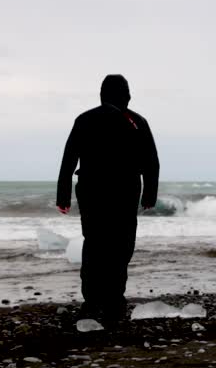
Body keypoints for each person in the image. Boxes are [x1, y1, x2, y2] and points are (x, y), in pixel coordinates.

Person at [56, 74, 159, 320]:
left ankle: (92, 301)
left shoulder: (85, 119)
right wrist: (149, 195)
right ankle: (114, 298)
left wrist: (63, 196)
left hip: (92, 190)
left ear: (102, 95)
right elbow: (151, 162)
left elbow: (69, 159)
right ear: (127, 95)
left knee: (94, 242)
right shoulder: (137, 121)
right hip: (125, 190)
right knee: (122, 245)